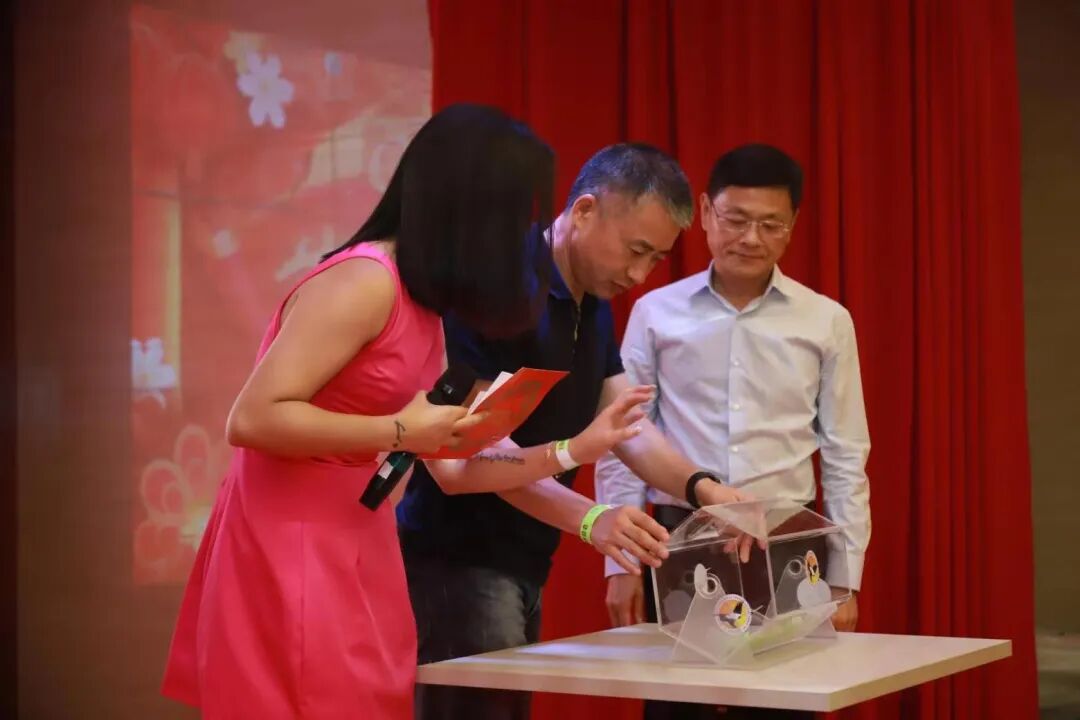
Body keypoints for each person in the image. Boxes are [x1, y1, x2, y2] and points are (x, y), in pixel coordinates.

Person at [160, 103, 654, 720]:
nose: (520, 238)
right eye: (513, 215)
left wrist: (573, 451)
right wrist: (399, 430)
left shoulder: (427, 302)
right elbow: (252, 419)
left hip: (361, 533)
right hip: (292, 537)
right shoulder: (367, 279)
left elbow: (456, 468)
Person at [397, 143, 751, 720]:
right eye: (635, 250)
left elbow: (626, 426)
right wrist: (589, 517)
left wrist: (704, 489)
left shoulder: (593, 295)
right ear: (584, 210)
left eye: (655, 259)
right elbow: (472, 454)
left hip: (522, 558)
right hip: (456, 560)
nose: (638, 275)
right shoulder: (496, 287)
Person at [596, 143, 872, 720]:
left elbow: (846, 455)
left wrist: (845, 579)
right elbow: (623, 437)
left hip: (788, 540)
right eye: (736, 219)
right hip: (678, 537)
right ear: (704, 212)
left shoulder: (825, 320)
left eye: (771, 224)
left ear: (793, 225)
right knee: (679, 707)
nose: (751, 238)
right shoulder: (656, 312)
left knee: (784, 704)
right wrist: (621, 563)